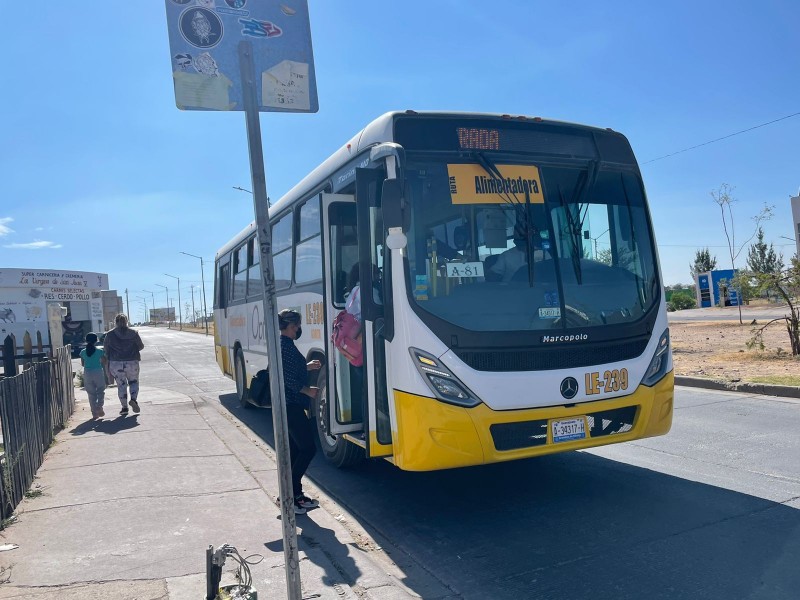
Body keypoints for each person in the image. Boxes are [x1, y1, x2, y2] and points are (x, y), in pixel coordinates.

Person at [278, 309, 322, 515]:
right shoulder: (284, 346)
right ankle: (290, 498)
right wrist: (308, 391)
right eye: (296, 325)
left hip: (291, 403)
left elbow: (289, 371)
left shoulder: (286, 345)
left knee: (296, 450)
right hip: (290, 404)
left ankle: (294, 495)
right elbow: (286, 379)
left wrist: (307, 367)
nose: (298, 329)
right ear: (288, 326)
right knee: (308, 448)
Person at [103, 313, 145, 416]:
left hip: (116, 363)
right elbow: (141, 346)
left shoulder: (109, 334)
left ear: (115, 322)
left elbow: (106, 349)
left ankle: (124, 407)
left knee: (121, 385)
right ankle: (134, 400)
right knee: (134, 382)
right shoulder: (134, 333)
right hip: (132, 362)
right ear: (127, 321)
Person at [80, 332, 107, 419]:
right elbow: (104, 361)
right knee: (100, 390)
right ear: (96, 340)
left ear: (86, 340)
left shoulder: (83, 352)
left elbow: (83, 364)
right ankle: (99, 406)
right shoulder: (99, 351)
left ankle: (94, 413)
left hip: (87, 373)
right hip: (98, 372)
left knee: (91, 393)